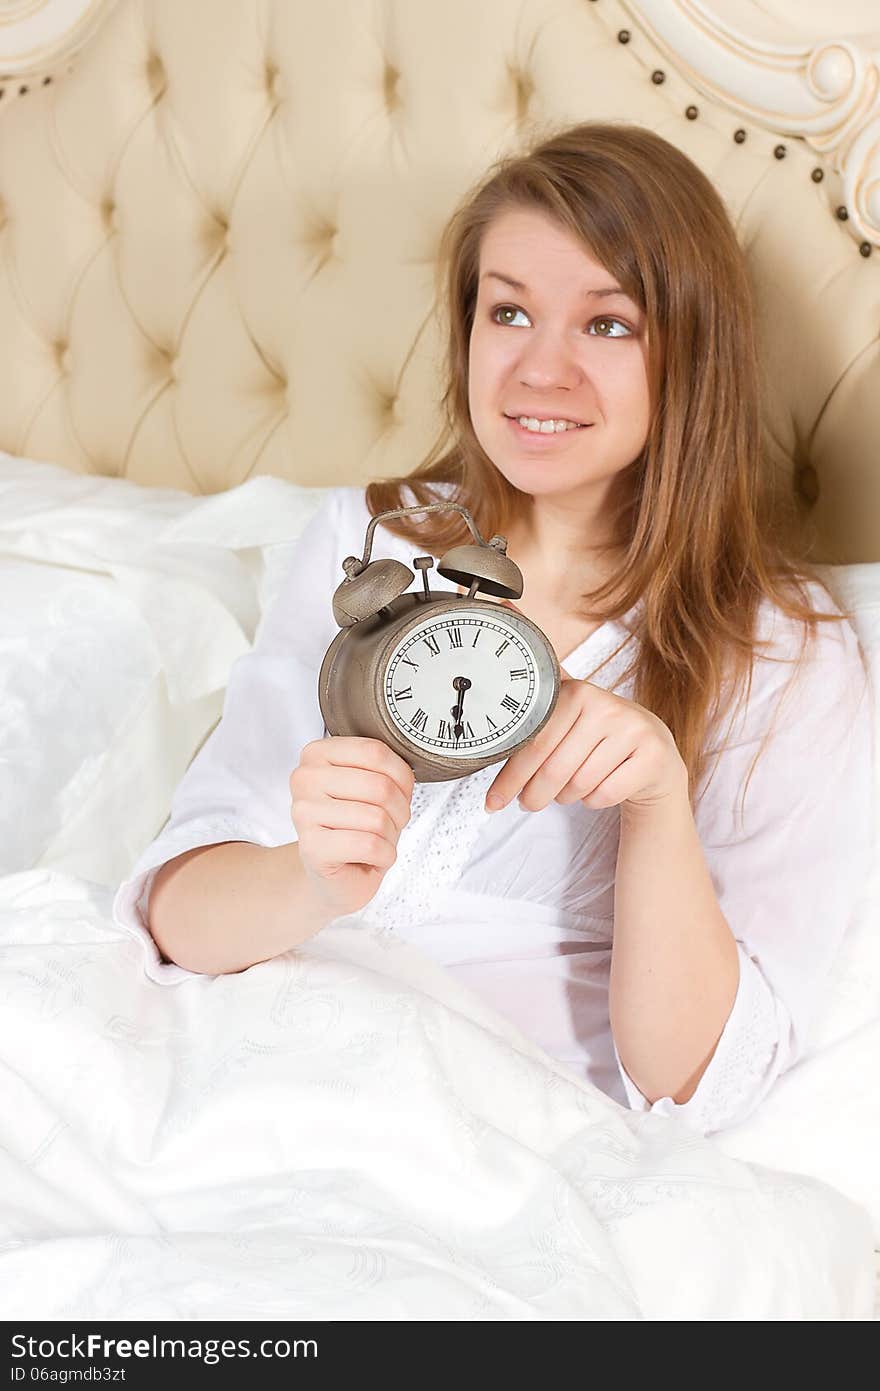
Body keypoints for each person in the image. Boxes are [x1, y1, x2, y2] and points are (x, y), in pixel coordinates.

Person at [112, 121, 875, 1135]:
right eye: (508, 310)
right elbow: (178, 913)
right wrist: (310, 876)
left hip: (492, 1134)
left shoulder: (782, 651)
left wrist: (654, 803)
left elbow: (697, 1082)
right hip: (237, 1061)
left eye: (607, 324)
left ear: (691, 350)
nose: (538, 372)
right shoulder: (366, 540)